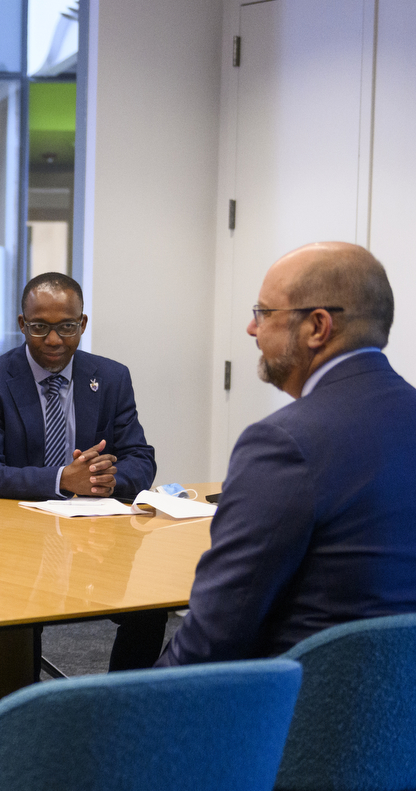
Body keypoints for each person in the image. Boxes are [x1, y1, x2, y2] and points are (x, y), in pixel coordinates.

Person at [158, 242, 416, 666]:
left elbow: (216, 636)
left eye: (263, 313)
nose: (251, 329)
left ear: (317, 327)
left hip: (301, 715)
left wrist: (140, 710)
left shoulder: (285, 443)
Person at [0, 272, 163, 670]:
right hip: (11, 539)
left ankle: (120, 704)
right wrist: (60, 479)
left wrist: (108, 480)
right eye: (40, 328)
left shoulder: (110, 378)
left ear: (82, 324)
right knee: (16, 619)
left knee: (151, 604)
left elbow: (141, 457)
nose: (54, 340)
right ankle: (26, 710)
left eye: (67, 327)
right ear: (22, 324)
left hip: (95, 537)